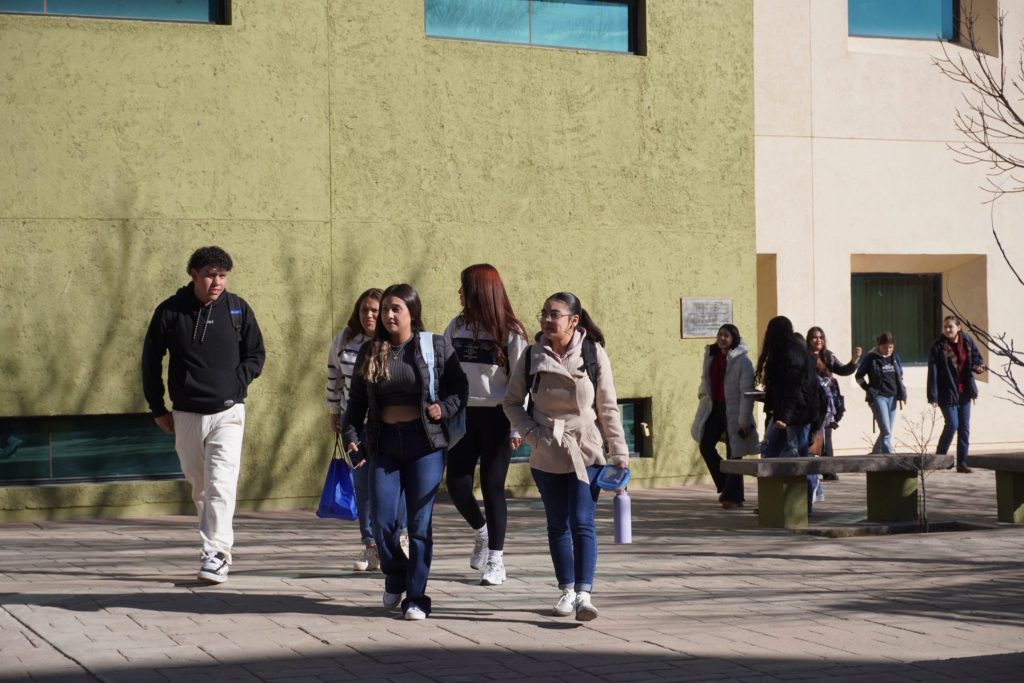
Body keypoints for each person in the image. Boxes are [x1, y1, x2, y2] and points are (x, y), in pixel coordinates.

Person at [341, 284, 467, 621]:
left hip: (424, 445)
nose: (388, 315)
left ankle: (416, 597)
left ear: (413, 312)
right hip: (384, 445)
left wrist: (444, 407)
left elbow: (460, 388)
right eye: (385, 309)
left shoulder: (433, 346)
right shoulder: (371, 351)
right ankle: (396, 574)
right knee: (383, 522)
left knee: (420, 524)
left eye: (396, 308)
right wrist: (351, 436)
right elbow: (355, 403)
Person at [142, 246, 265, 584]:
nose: (217, 282)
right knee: (200, 485)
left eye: (222, 276)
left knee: (221, 484)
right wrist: (157, 408)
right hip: (186, 413)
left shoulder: (238, 309)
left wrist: (237, 382)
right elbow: (150, 361)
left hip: (229, 412)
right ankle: (214, 543)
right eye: (210, 275)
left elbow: (256, 353)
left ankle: (217, 553)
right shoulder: (170, 311)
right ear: (193, 274)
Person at [503, 292, 629, 622]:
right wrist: (532, 434)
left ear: (573, 320)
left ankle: (585, 595)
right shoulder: (531, 355)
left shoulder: (592, 353)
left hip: (586, 449)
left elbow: (607, 407)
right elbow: (511, 402)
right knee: (557, 523)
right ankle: (567, 590)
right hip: (547, 450)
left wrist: (618, 451)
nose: (547, 320)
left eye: (554, 314)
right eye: (544, 313)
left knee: (582, 520)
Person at [443, 264, 528, 586]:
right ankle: (481, 532)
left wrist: (518, 426)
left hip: (498, 416)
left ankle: (496, 559)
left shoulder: (510, 332)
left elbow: (521, 382)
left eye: (464, 287)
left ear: (479, 291)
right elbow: (445, 371)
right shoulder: (456, 326)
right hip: (463, 414)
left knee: (493, 486)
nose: (459, 293)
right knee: (457, 484)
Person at [326, 288, 409, 571]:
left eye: (376, 310)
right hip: (356, 423)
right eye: (365, 310)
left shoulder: (392, 340)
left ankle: (401, 539)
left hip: (387, 423)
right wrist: (334, 410)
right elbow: (334, 374)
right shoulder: (345, 339)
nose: (370, 315)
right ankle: (371, 546)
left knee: (396, 483)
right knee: (363, 485)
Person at [755, 316, 820, 513]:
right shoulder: (783, 352)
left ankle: (803, 506)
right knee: (770, 455)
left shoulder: (793, 354)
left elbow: (794, 389)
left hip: (796, 416)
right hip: (783, 413)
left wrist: (785, 417)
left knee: (798, 459)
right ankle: (771, 502)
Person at [693, 324, 757, 509]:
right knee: (705, 445)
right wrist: (702, 395)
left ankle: (734, 497)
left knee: (734, 453)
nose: (722, 338)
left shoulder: (743, 362)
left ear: (734, 338)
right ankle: (726, 485)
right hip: (715, 408)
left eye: (726, 335)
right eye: (719, 335)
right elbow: (705, 380)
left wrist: (744, 420)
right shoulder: (711, 356)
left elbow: (747, 392)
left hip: (734, 410)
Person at [927, 316, 986, 473]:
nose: (947, 330)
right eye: (945, 327)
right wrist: (933, 396)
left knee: (964, 428)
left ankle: (962, 463)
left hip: (965, 391)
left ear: (958, 328)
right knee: (952, 424)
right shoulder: (938, 346)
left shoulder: (967, 341)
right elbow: (933, 372)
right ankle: (939, 459)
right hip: (946, 392)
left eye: (950, 327)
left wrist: (978, 367)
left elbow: (977, 359)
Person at [806, 327, 861, 480]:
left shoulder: (828, 356)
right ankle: (809, 472)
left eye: (821, 337)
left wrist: (854, 360)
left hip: (828, 403)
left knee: (827, 434)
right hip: (812, 402)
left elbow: (843, 370)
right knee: (812, 435)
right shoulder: (804, 356)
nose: (818, 340)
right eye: (815, 337)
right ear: (808, 340)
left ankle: (828, 470)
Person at [855, 331, 907, 455]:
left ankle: (875, 455)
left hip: (893, 397)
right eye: (885, 347)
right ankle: (889, 458)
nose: (888, 350)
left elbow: (900, 374)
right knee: (886, 431)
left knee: (887, 431)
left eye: (890, 347)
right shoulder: (871, 358)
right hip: (878, 397)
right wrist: (867, 388)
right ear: (879, 345)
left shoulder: (894, 357)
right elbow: (859, 376)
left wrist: (901, 390)